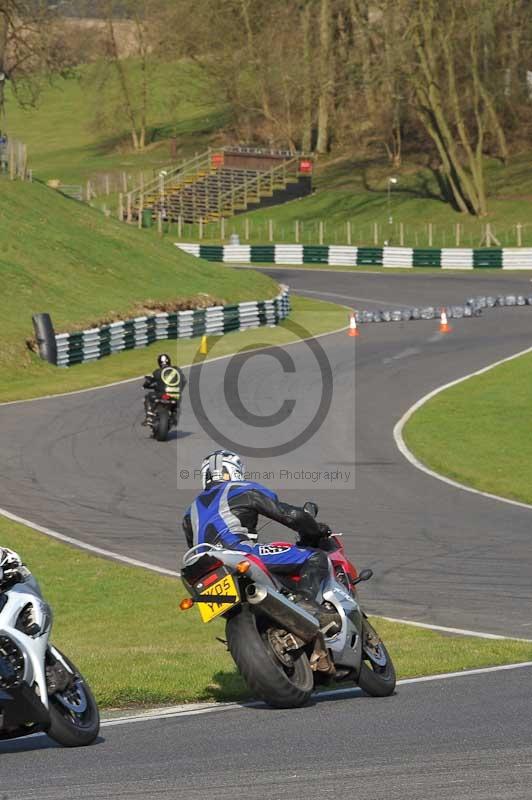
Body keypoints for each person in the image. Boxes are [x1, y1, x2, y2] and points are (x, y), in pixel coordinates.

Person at [182, 449, 340, 629]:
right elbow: (292, 516)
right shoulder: (242, 489)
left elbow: (191, 544)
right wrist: (315, 530)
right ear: (235, 471)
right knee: (316, 557)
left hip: (203, 569)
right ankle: (305, 601)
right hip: (239, 552)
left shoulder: (189, 512)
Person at [142, 353, 186, 425]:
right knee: (177, 403)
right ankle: (174, 415)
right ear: (169, 361)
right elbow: (184, 381)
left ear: (159, 363)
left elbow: (148, 382)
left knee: (148, 396)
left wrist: (144, 386)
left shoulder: (157, 372)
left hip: (163, 395)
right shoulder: (177, 370)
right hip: (176, 396)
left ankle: (149, 417)